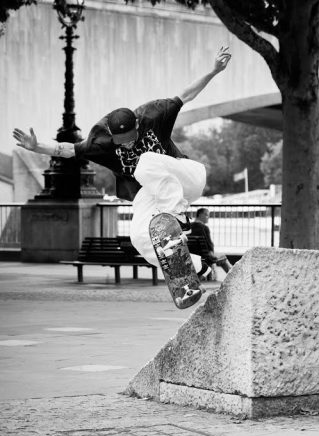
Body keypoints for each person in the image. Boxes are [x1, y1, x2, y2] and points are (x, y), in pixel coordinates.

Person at [13, 46, 232, 275]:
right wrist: (37, 147)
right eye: (121, 142)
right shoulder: (101, 143)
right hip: (155, 193)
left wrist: (213, 71)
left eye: (130, 139)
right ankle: (195, 268)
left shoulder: (154, 115)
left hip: (186, 177)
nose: (127, 145)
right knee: (139, 236)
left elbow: (185, 95)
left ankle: (176, 216)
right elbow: (67, 149)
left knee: (145, 162)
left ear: (137, 124)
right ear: (111, 134)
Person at [191, 208, 233, 276]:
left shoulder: (188, 227)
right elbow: (209, 247)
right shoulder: (204, 228)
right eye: (206, 215)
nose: (208, 217)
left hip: (192, 257)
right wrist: (212, 257)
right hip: (203, 258)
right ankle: (234, 276)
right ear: (200, 215)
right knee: (222, 257)